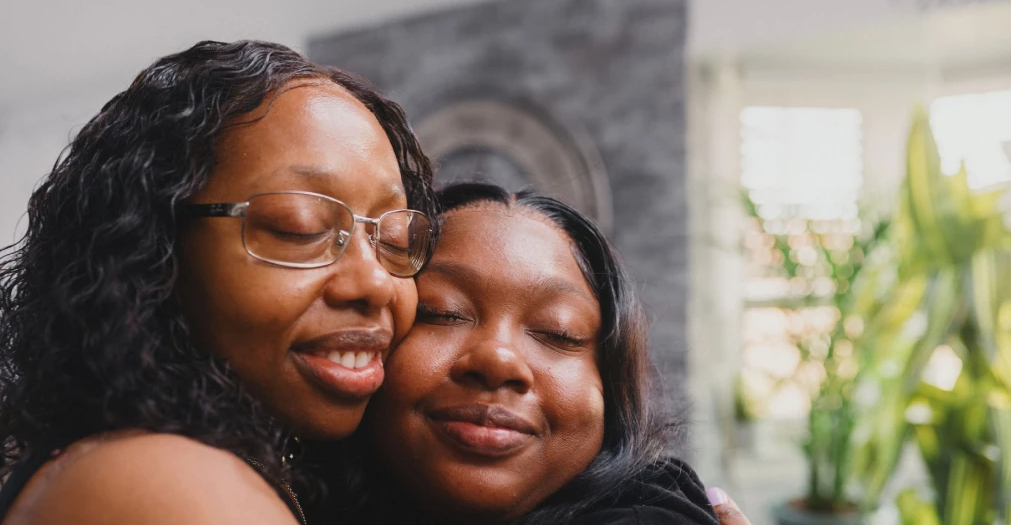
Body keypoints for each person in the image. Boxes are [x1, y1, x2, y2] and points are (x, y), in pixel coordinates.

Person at [0, 40, 435, 525]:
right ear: (154, 247)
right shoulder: (170, 487)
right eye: (298, 226)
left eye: (395, 240)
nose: (377, 284)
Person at [314, 183, 745, 524]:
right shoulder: (291, 493)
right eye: (442, 313)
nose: (498, 360)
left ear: (611, 387)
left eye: (559, 333)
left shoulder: (652, 510)